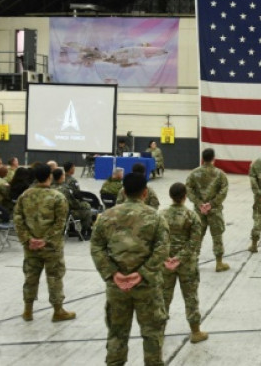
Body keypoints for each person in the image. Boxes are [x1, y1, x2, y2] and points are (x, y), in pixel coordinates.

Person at [91, 172, 170, 366]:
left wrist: (113, 273)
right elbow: (163, 249)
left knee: (117, 334)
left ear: (123, 191)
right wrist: (141, 274)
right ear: (145, 193)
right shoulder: (156, 218)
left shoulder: (106, 217)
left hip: (117, 287)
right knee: (152, 335)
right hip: (147, 288)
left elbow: (96, 247)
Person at [13, 164, 76, 323]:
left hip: (30, 247)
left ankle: (28, 310)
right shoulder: (58, 197)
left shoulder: (24, 196)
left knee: (30, 277)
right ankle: (58, 310)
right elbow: (60, 223)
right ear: (50, 176)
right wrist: (45, 240)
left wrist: (29, 239)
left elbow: (18, 219)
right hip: (51, 247)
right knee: (54, 277)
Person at [160, 183, 207, 344]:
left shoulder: (161, 215)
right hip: (187, 264)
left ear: (170, 196)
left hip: (165, 264)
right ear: (185, 196)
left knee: (163, 297)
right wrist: (179, 258)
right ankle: (195, 331)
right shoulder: (192, 216)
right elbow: (194, 242)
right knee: (190, 297)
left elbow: (157, 241)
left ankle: (160, 331)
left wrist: (168, 258)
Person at [186, 148, 230, 272]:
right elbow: (223, 191)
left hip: (199, 211)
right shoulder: (220, 174)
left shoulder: (194, 173)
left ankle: (193, 262)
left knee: (197, 236)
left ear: (202, 158)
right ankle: (219, 263)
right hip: (215, 211)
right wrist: (211, 204)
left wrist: (200, 204)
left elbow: (189, 189)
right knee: (217, 236)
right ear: (213, 159)